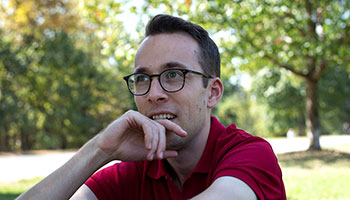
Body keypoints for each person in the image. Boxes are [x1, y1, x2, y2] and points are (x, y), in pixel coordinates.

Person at [17, 14, 286, 200]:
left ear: (212, 93)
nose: (153, 94)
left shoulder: (251, 155)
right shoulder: (132, 172)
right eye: (143, 78)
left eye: (173, 75)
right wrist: (99, 149)